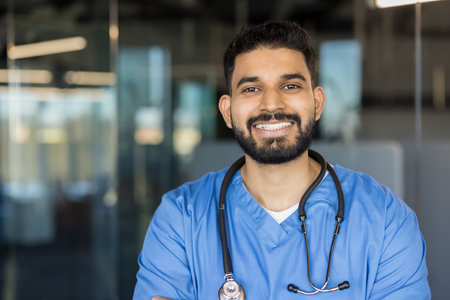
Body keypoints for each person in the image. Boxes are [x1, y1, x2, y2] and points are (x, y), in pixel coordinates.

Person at [133, 21, 431, 300]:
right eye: (251, 88)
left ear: (317, 103)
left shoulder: (384, 219)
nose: (272, 104)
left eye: (290, 86)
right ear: (227, 111)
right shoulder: (181, 219)